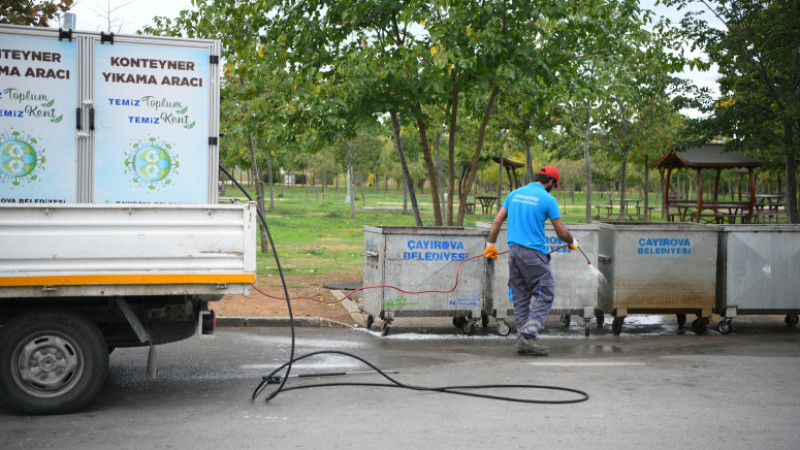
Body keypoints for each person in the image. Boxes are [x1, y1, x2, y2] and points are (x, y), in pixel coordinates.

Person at [484, 166, 578, 356]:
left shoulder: (515, 194)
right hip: (534, 255)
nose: (553, 188)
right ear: (550, 182)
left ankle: (523, 340)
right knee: (546, 293)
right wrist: (572, 241)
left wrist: (491, 245)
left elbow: (497, 221)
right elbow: (561, 232)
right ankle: (528, 335)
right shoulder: (547, 199)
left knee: (520, 297)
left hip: (515, 254)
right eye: (554, 185)